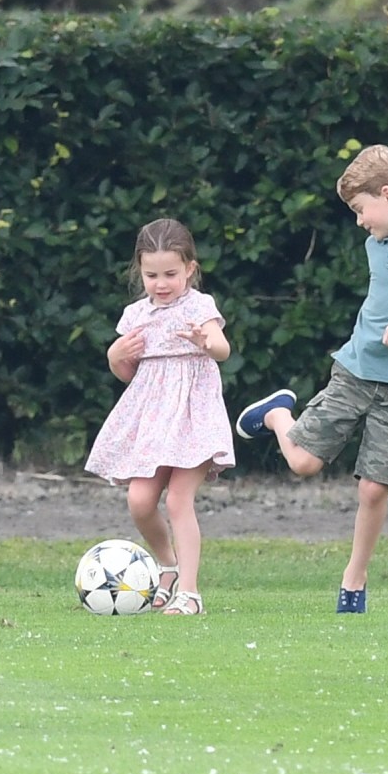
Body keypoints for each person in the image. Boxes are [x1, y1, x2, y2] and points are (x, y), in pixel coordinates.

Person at [234, 145, 388, 614]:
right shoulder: (377, 243)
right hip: (354, 372)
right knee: (303, 465)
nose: (359, 221)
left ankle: (354, 581)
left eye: (360, 209)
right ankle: (276, 415)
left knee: (374, 488)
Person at [85, 218, 235, 616]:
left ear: (190, 268)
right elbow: (128, 372)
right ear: (140, 271)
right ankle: (166, 565)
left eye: (171, 273)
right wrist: (114, 356)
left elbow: (221, 348)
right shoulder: (136, 315)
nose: (161, 283)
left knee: (179, 500)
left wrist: (209, 343)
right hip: (151, 419)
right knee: (139, 501)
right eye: (152, 275)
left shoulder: (199, 307)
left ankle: (189, 592)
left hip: (192, 417)